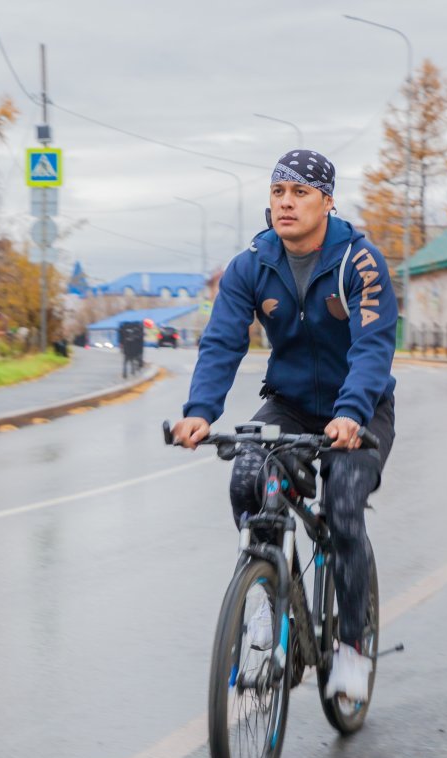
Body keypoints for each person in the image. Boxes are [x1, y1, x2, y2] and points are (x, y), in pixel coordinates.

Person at [169, 149, 398, 701]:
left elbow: (373, 347)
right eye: (278, 193)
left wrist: (350, 413)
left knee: (343, 506)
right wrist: (200, 411)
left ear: (327, 201)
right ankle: (271, 600)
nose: (286, 204)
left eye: (300, 193)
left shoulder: (358, 262)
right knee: (248, 477)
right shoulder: (252, 263)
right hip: (291, 403)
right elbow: (223, 339)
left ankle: (349, 649)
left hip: (360, 409)